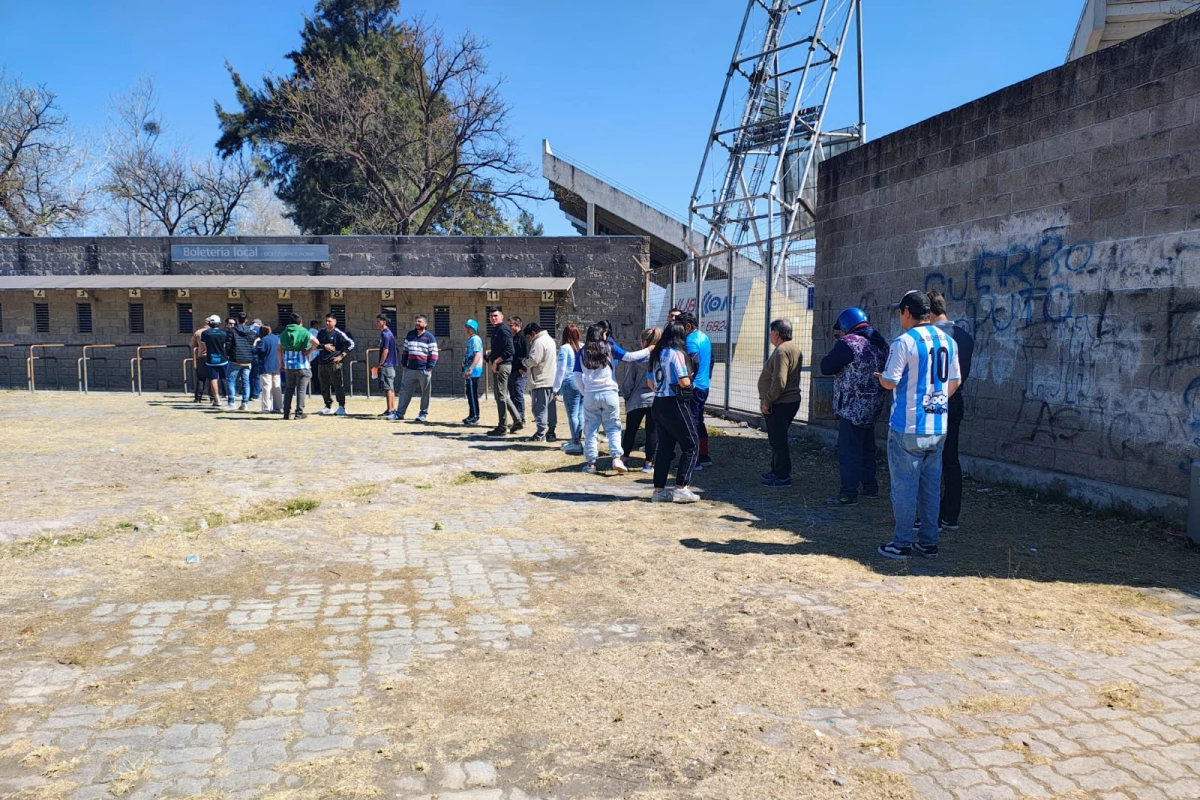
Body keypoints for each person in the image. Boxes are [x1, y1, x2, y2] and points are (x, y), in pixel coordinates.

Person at [876, 290, 962, 560]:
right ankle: (928, 542)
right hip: (938, 425)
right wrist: (934, 400)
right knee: (930, 486)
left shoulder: (904, 342)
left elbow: (890, 381)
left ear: (907, 312)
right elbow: (955, 381)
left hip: (908, 424)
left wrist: (882, 379)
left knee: (904, 485)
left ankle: (902, 542)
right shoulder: (949, 341)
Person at [820, 307, 889, 504]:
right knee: (867, 448)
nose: (840, 333)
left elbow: (826, 366)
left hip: (851, 407)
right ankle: (870, 488)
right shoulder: (880, 342)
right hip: (873, 405)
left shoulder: (849, 343)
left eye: (840, 329)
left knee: (849, 450)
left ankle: (848, 494)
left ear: (846, 326)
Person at [929, 289, 974, 532]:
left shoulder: (930, 336)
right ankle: (950, 515)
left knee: (930, 460)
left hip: (934, 401)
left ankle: (929, 515)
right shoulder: (965, 336)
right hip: (957, 399)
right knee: (951, 460)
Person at [647, 321, 700, 503]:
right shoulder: (677, 354)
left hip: (658, 402)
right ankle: (681, 487)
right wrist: (691, 383)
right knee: (692, 444)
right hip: (674, 403)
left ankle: (659, 490)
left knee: (664, 448)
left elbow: (650, 383)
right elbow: (684, 381)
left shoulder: (656, 354)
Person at [757, 319, 804, 488]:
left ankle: (782, 475)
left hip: (781, 402)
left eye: (771, 332)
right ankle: (776, 469)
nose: (770, 335)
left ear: (776, 333)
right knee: (777, 438)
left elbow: (779, 380)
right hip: (788, 401)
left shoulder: (782, 351)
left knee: (778, 440)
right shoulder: (793, 348)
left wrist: (768, 401)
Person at [579, 325, 627, 474]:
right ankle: (616, 458)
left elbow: (576, 376)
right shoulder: (609, 347)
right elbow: (629, 357)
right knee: (613, 427)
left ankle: (591, 463)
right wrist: (649, 349)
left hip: (591, 394)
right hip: (610, 393)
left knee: (591, 429)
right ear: (601, 335)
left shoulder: (582, 352)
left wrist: (585, 392)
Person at [621, 327, 660, 474]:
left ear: (644, 342)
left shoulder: (636, 359)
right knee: (652, 431)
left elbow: (628, 383)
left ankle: (624, 458)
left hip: (637, 399)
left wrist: (627, 396)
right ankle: (648, 463)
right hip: (655, 399)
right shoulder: (661, 358)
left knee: (631, 430)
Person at [678, 312, 714, 470]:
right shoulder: (704, 337)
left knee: (690, 424)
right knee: (698, 421)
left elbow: (694, 362)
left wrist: (688, 381)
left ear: (687, 326)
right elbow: (710, 360)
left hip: (695, 387)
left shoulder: (691, 340)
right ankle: (704, 455)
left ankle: (694, 460)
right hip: (704, 386)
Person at [395, 314, 439, 422]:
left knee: (425, 393)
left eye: (419, 321)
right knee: (404, 391)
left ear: (425, 324)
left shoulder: (430, 337)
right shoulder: (410, 335)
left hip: (424, 370)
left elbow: (434, 354)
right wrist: (404, 364)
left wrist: (429, 368)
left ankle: (423, 414)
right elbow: (405, 351)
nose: (417, 323)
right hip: (410, 369)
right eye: (416, 321)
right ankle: (399, 413)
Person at [485, 306, 521, 436]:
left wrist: (496, 361)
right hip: (500, 365)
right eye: (491, 316)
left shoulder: (503, 330)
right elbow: (500, 348)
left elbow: (510, 350)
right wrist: (490, 355)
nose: (493, 318)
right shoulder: (497, 330)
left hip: (503, 366)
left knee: (500, 397)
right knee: (503, 395)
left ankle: (502, 427)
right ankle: (517, 420)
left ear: (502, 316)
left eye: (496, 315)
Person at [523, 321, 558, 441]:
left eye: (529, 337)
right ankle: (551, 432)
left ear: (533, 333)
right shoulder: (550, 339)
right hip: (551, 380)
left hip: (540, 380)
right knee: (550, 408)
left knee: (539, 408)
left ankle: (540, 434)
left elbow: (534, 360)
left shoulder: (538, 342)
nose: (529, 340)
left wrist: (524, 362)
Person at [280, 313, 319, 420]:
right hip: (302, 364)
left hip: (288, 365)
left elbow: (279, 348)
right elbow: (316, 342)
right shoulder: (304, 331)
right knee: (301, 391)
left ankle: (286, 413)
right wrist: (309, 351)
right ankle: (299, 413)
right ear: (300, 322)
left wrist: (281, 363)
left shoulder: (284, 333)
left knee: (289, 389)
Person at [316, 312, 355, 416]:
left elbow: (351, 344)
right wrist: (324, 346)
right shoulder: (321, 333)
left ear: (334, 322)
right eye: (326, 321)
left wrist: (341, 356)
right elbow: (315, 344)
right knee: (324, 385)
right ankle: (328, 405)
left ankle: (342, 406)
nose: (327, 323)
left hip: (334, 363)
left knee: (338, 385)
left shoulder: (338, 333)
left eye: (329, 321)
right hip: (322, 363)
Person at [554, 324, 583, 453]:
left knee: (572, 414)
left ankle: (575, 441)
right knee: (580, 413)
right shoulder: (582, 347)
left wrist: (555, 387)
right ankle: (577, 438)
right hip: (582, 382)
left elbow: (561, 369)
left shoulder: (564, 349)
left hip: (570, 382)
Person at [225, 312, 257, 410]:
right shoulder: (252, 332)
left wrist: (228, 354)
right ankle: (245, 403)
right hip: (247, 359)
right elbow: (252, 345)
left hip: (235, 359)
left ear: (237, 320)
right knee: (246, 381)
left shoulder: (232, 331)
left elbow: (229, 345)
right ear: (246, 320)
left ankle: (231, 402)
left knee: (231, 380)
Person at [199, 315, 229, 409]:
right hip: (222, 358)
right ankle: (229, 396)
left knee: (213, 379)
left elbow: (204, 346)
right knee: (225, 378)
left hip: (211, 359)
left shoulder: (205, 333)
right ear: (218, 323)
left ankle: (217, 399)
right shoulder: (223, 333)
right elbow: (224, 345)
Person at [254, 324, 283, 413]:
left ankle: (266, 408)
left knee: (266, 387)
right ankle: (278, 407)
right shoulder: (276, 338)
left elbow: (256, 351)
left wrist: (255, 343)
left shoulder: (263, 340)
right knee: (277, 387)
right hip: (276, 365)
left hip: (266, 366)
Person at [376, 315, 399, 419]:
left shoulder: (386, 334)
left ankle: (390, 410)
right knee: (389, 387)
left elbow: (385, 350)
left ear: (384, 322)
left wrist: (381, 363)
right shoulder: (387, 333)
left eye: (378, 321)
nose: (376, 323)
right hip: (390, 364)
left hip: (387, 365)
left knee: (388, 388)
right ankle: (391, 408)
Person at [508, 316, 528, 430]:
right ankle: (516, 419)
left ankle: (521, 418)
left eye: (511, 325)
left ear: (518, 325)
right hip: (512, 370)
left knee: (518, 396)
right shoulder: (513, 337)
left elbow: (527, 354)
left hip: (519, 371)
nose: (510, 327)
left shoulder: (523, 338)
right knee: (512, 396)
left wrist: (523, 368)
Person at [462, 319, 484, 424]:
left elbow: (477, 355)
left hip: (474, 371)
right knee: (469, 394)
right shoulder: (470, 340)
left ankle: (475, 416)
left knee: (472, 393)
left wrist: (470, 369)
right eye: (466, 327)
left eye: (469, 327)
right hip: (469, 370)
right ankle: (471, 414)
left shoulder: (475, 339)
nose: (467, 329)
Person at [248, 318, 264, 401]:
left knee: (248, 375)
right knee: (256, 375)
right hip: (256, 355)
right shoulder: (260, 330)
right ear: (259, 324)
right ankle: (255, 394)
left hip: (246, 354)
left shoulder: (247, 328)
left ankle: (249, 393)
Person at [307, 319, 322, 396]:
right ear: (315, 325)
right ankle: (319, 388)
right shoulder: (316, 332)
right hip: (316, 354)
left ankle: (316, 389)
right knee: (318, 373)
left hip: (310, 356)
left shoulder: (308, 332)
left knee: (314, 374)